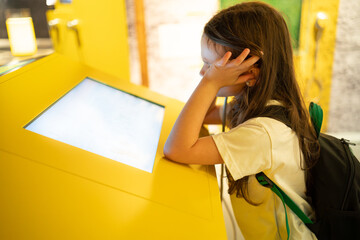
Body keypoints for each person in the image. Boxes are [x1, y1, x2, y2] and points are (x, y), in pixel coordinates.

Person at [163, 2, 319, 240]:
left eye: (210, 65)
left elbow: (177, 149)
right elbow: (202, 116)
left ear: (250, 72)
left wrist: (211, 84)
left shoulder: (262, 133)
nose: (203, 74)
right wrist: (213, 81)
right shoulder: (256, 104)